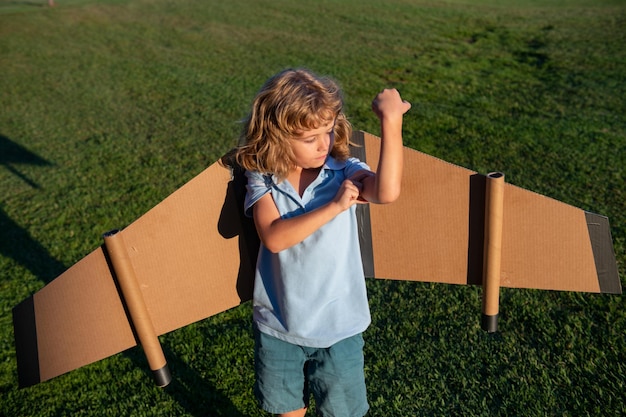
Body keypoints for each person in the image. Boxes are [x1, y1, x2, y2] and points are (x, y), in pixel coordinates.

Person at [233, 68, 410, 417]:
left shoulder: (343, 169)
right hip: (280, 325)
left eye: (327, 132)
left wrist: (391, 123)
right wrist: (334, 207)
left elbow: (386, 192)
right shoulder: (262, 176)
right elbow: (274, 237)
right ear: (277, 135)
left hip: (339, 327)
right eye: (309, 137)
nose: (323, 144)